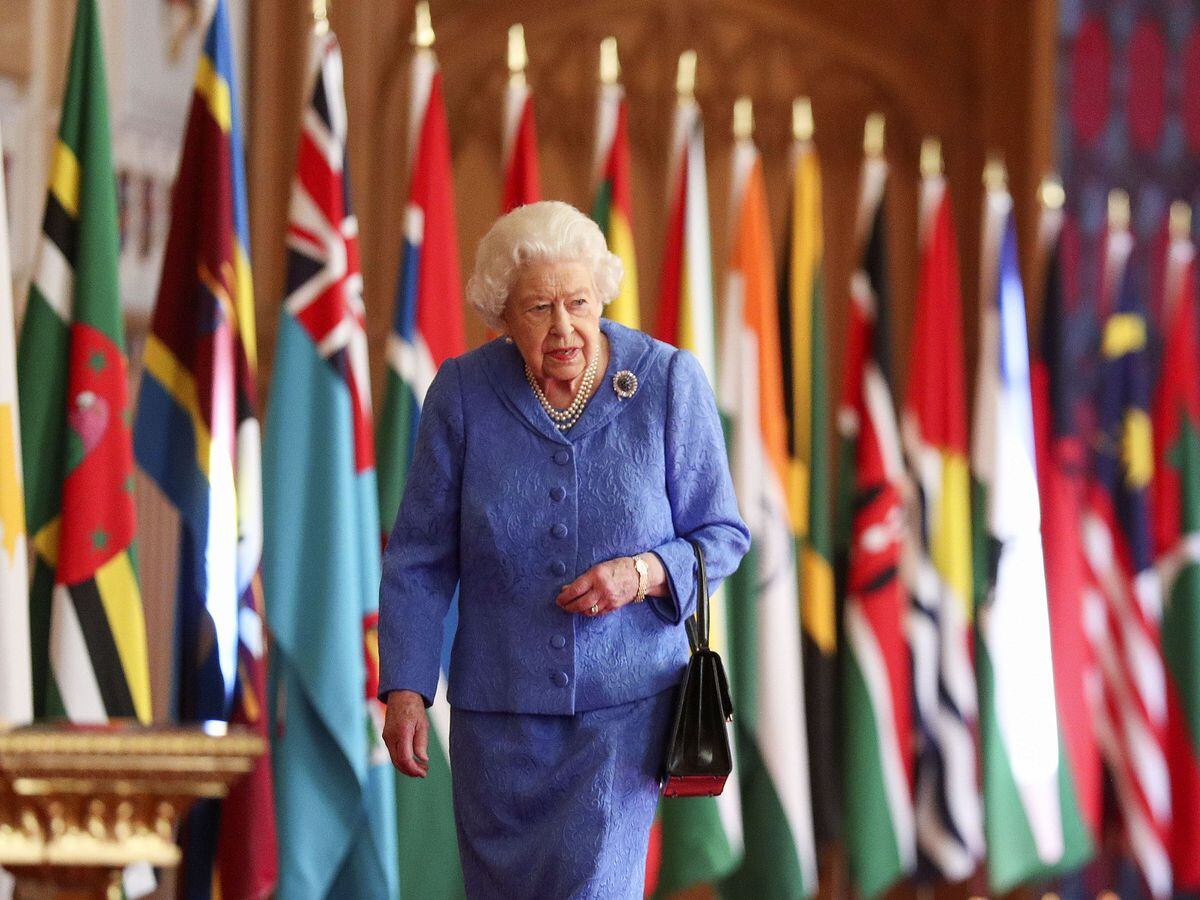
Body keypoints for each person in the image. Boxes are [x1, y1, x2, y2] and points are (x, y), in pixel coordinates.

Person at [378, 200, 749, 898]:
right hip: (498, 724)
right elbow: (420, 557)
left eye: (578, 303)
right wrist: (405, 689)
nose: (563, 328)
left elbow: (721, 535)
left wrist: (641, 574)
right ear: (501, 316)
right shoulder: (462, 393)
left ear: (600, 295)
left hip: (623, 713)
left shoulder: (668, 383)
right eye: (538, 308)